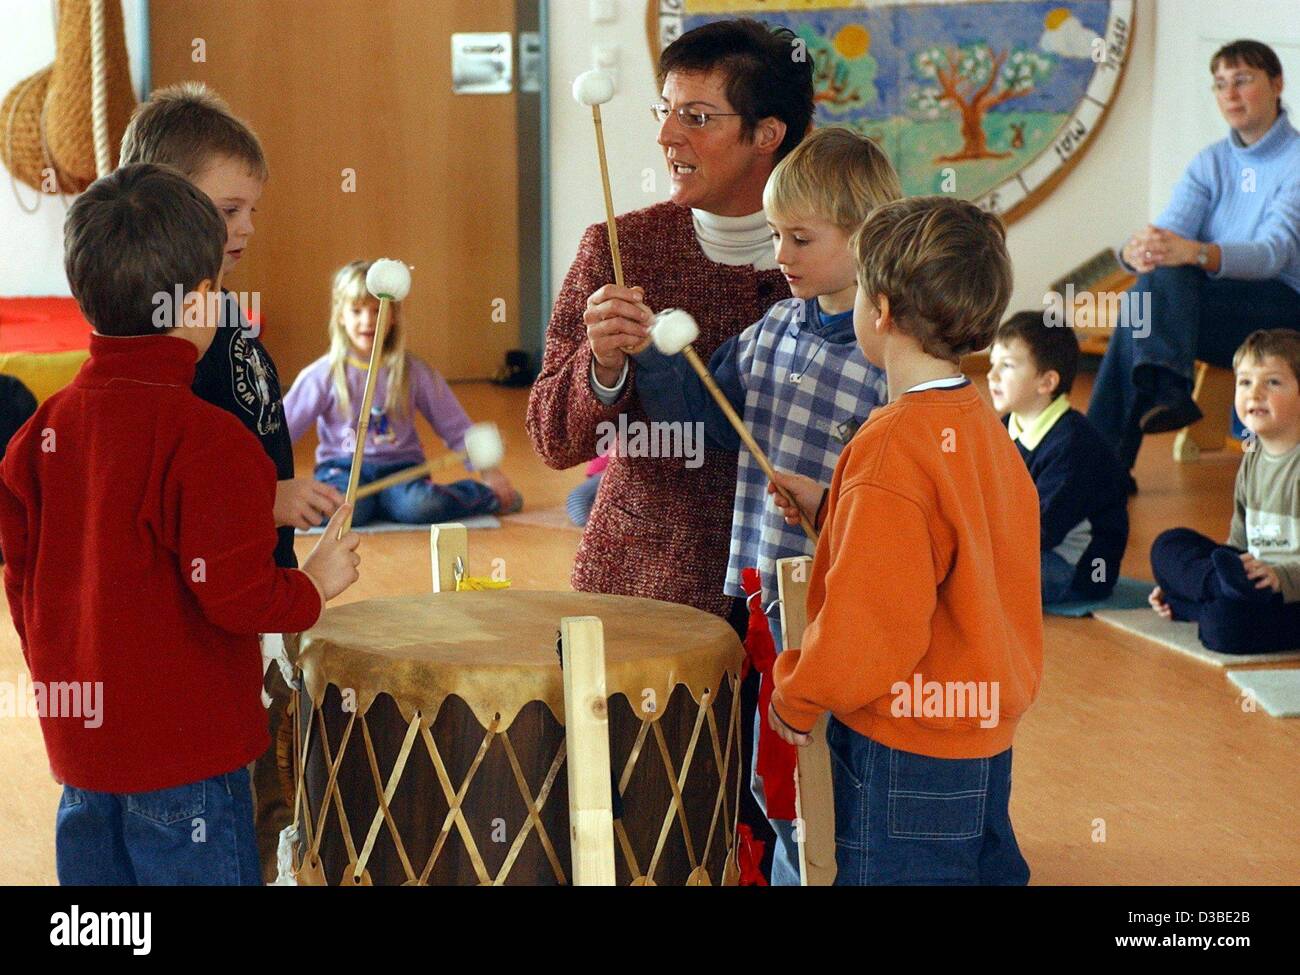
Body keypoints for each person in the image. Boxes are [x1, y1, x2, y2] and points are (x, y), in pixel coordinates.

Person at [0, 164, 361, 885]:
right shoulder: (210, 440)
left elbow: (23, 585)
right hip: (190, 764)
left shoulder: (38, 433)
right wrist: (314, 584)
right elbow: (238, 595)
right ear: (200, 301)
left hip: (83, 760)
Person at [631, 126, 897, 883]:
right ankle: (777, 861)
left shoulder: (888, 352)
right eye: (777, 235)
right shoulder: (774, 326)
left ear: (864, 236)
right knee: (773, 762)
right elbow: (713, 419)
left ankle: (838, 861)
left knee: (838, 759)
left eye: (800, 238)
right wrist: (656, 355)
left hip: (844, 600)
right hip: (761, 591)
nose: (780, 255)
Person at [767, 197, 1042, 885]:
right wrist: (834, 507)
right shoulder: (984, 428)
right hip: (982, 741)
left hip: (903, 754)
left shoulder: (889, 446)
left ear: (881, 308)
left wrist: (798, 693)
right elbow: (958, 547)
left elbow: (871, 628)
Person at [118, 82, 342, 877]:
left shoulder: (222, 314)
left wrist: (281, 494)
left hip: (250, 597)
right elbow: (164, 479)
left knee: (265, 780)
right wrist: (267, 500)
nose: (247, 226)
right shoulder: (164, 333)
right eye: (228, 208)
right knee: (217, 801)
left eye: (253, 209)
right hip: (205, 625)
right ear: (167, 207)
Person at [526, 18, 813, 622]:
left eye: (697, 117)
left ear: (767, 134)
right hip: (644, 582)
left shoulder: (845, 258)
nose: (665, 136)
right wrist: (601, 365)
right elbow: (551, 441)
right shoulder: (619, 248)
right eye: (666, 109)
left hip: (794, 588)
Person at [1088, 39, 1300, 482]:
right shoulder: (1211, 163)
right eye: (1221, 85)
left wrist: (1198, 253)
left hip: (1282, 308)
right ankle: (1161, 390)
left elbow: (1271, 253)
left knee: (1142, 305)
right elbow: (1169, 233)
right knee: (1147, 293)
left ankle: (1101, 466)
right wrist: (1139, 250)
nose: (1230, 95)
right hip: (1216, 310)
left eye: (1243, 80)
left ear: (1277, 84)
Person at [284, 260, 519, 526]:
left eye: (376, 311)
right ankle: (376, 505)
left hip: (402, 469)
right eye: (357, 310)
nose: (368, 321)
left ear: (393, 316)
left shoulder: (414, 372)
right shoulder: (321, 375)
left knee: (418, 506)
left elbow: (455, 425)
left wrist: (490, 472)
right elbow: (282, 429)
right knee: (343, 512)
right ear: (340, 315)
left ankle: (486, 497)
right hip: (342, 469)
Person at [1149, 329, 1300, 652]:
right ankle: (1212, 589)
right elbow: (1236, 547)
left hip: (1289, 593)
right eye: (1245, 382)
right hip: (1249, 583)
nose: (1254, 393)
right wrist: (1218, 576)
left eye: (1272, 382)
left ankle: (1194, 601)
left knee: (1225, 628)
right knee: (1168, 544)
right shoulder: (1254, 457)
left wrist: (1279, 577)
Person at [988, 312, 1129, 605]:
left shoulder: (1073, 446)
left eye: (1007, 366)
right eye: (992, 365)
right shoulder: (1003, 428)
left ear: (1047, 382)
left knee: (972, 574)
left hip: (1078, 567)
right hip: (1026, 548)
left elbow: (1041, 531)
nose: (992, 376)